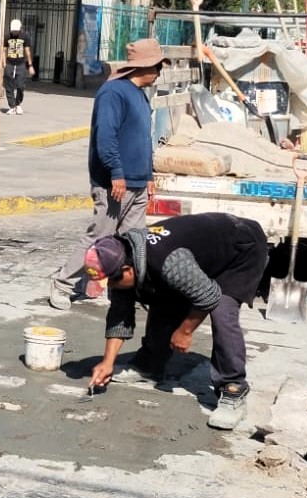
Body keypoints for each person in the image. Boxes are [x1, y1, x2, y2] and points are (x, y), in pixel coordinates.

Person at [82, 213, 269, 431]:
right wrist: (108, 362)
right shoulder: (121, 259)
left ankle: (233, 387)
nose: (111, 287)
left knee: (222, 311)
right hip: (200, 253)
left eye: (112, 281)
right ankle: (150, 366)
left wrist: (185, 331)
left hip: (240, 249)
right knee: (164, 297)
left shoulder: (167, 261)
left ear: (128, 269)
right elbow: (119, 314)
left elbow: (208, 297)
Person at [48, 38, 169, 311]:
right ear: (144, 66)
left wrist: (148, 175)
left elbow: (143, 139)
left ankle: (120, 289)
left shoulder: (139, 94)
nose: (160, 72)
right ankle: (62, 282)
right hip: (114, 183)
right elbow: (106, 137)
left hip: (137, 183)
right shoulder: (113, 93)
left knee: (132, 241)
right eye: (158, 66)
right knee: (100, 237)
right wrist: (116, 171)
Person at [3, 18, 34, 114]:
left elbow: (27, 51)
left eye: (16, 31)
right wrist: (4, 62)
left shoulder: (25, 36)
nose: (14, 33)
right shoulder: (7, 36)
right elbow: (4, 50)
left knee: (20, 85)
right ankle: (12, 106)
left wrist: (30, 65)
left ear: (19, 29)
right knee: (9, 85)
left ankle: (18, 103)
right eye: (13, 31)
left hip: (20, 63)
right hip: (9, 63)